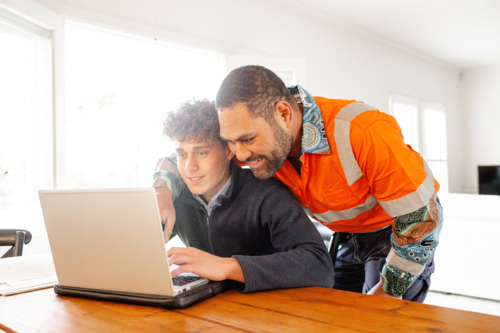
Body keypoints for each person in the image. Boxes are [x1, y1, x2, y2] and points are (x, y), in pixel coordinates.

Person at [155, 66, 443, 302]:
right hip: (344, 234)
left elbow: (422, 220)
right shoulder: (255, 141)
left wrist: (386, 295)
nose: (239, 155)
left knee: (380, 319)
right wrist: (162, 190)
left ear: (283, 113)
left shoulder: (363, 131)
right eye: (232, 142)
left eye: (247, 139)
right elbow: (190, 151)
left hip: (396, 232)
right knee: (328, 311)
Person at [153, 99, 334, 293]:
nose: (190, 167)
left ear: (229, 150)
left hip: (271, 310)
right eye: (182, 155)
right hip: (210, 308)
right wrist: (157, 196)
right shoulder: (176, 198)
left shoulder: (267, 194)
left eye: (202, 153)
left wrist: (229, 267)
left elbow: (320, 266)